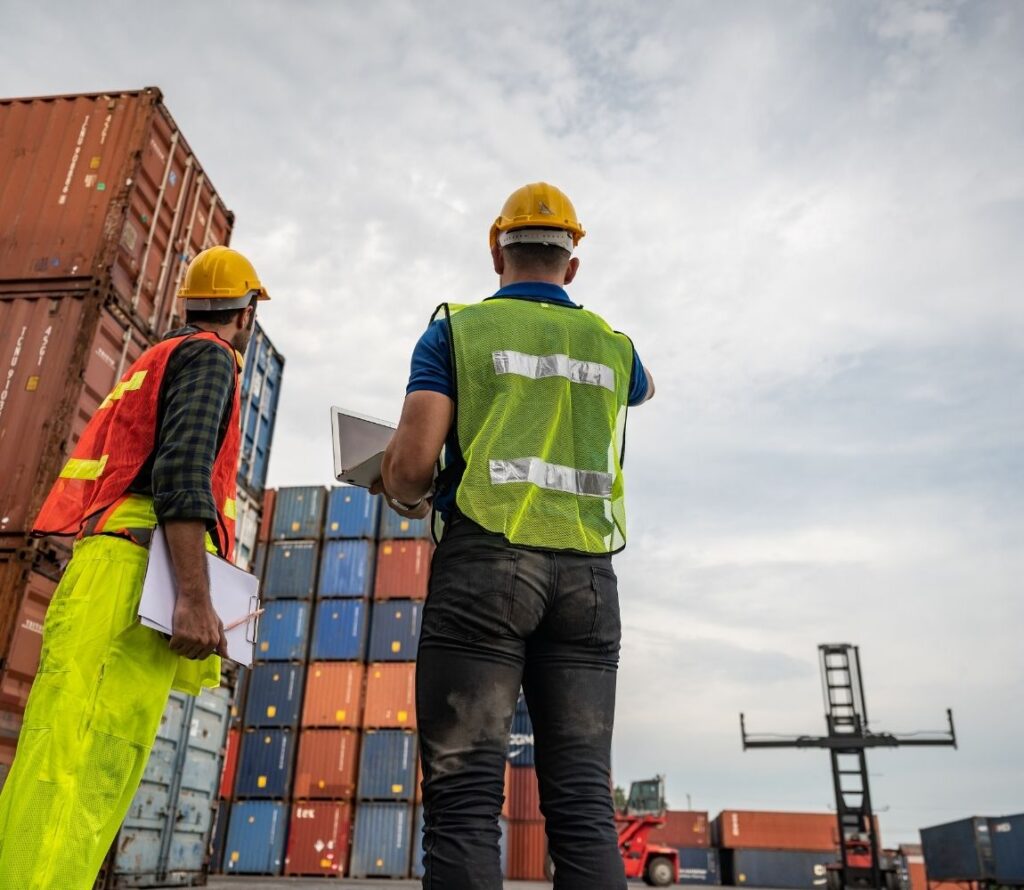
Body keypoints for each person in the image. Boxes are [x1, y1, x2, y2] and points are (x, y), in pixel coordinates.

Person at [377, 182, 655, 889]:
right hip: (590, 583)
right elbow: (643, 388)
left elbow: (409, 469)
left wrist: (405, 488)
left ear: (496, 248)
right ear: (573, 263)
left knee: (467, 800)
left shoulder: (456, 330)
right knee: (585, 803)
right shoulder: (614, 346)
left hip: (487, 572)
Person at [0, 246, 269, 889]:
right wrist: (195, 599)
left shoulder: (155, 360)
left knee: (69, 761)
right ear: (247, 312)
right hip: (134, 574)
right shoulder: (210, 357)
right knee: (82, 769)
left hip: (112, 566)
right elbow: (181, 475)